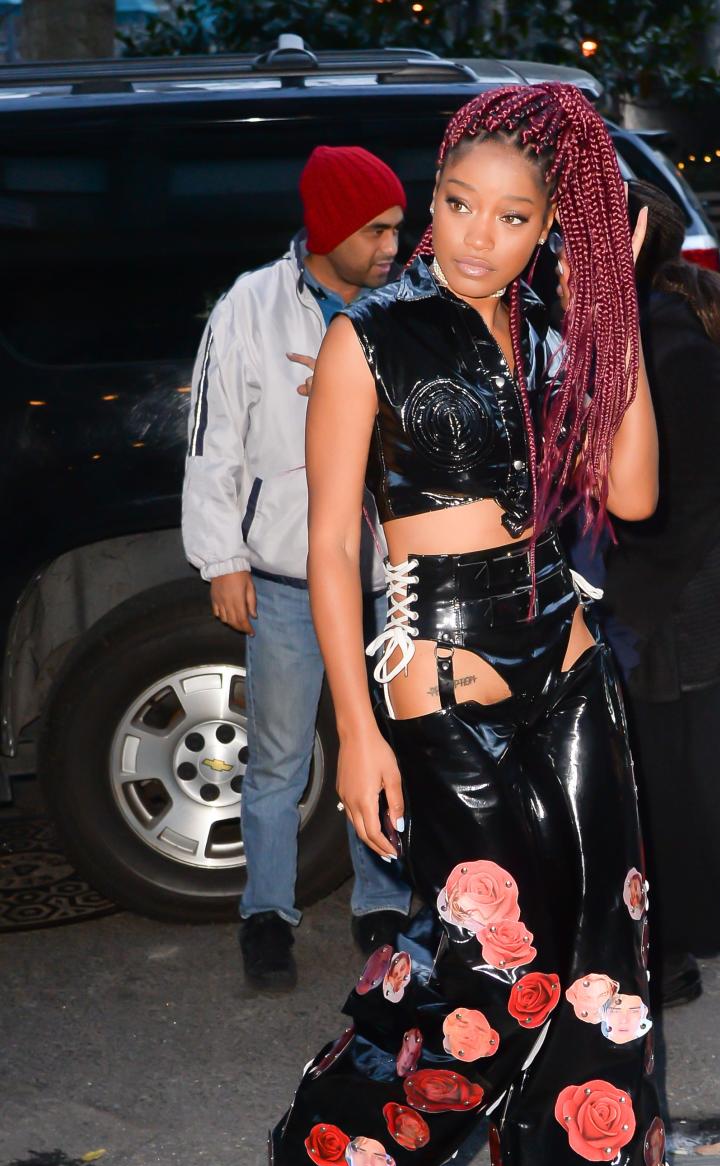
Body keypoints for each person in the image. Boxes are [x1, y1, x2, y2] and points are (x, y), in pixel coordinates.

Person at [269, 84, 693, 1166]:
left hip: (565, 670)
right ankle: (336, 1149)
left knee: (603, 961)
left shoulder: (562, 335)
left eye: (513, 218)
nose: (472, 236)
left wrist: (607, 316)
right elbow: (331, 546)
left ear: (554, 228)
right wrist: (357, 725)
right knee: (495, 978)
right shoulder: (371, 340)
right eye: (458, 204)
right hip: (440, 688)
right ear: (436, 190)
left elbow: (632, 491)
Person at [182, 146, 414, 993]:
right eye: (377, 228)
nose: (395, 243)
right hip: (283, 575)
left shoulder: (406, 304)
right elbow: (213, 441)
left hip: (389, 582)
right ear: (329, 229)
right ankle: (267, 916)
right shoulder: (251, 307)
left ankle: (384, 902)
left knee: (384, 742)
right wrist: (222, 558)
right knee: (279, 756)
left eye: (398, 225)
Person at [581, 180, 720, 1006]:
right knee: (668, 791)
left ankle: (664, 957)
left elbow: (694, 492)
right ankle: (666, 950)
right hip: (668, 613)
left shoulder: (665, 344)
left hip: (679, 619)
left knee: (667, 795)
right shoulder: (637, 334)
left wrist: (620, 598)